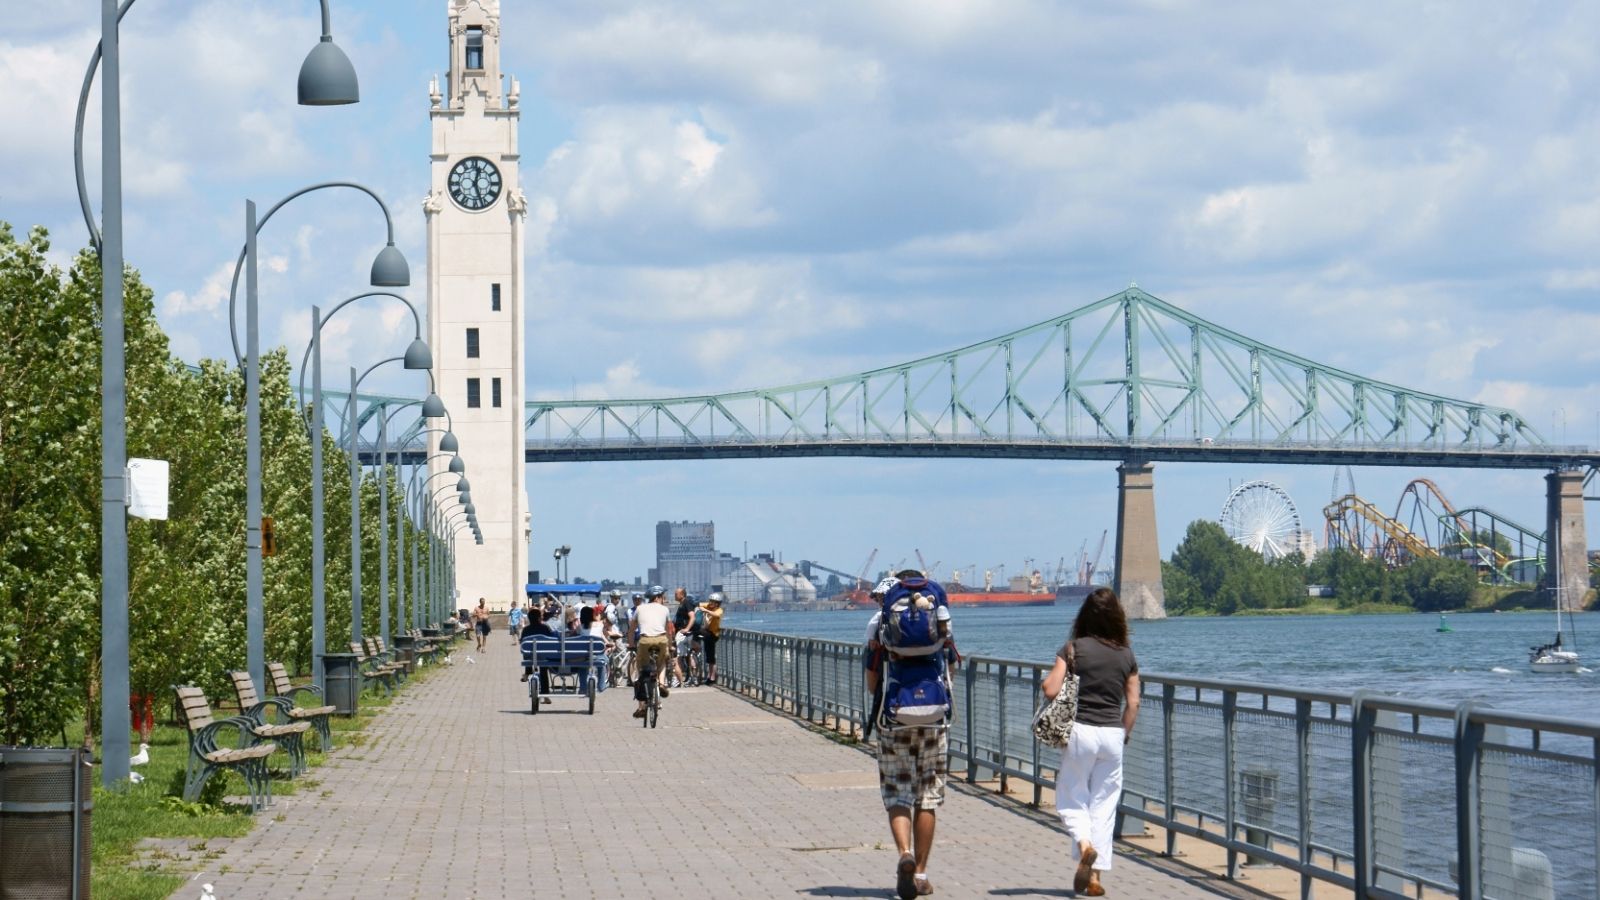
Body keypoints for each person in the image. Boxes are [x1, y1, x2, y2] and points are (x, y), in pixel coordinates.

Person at [1042, 587, 1140, 898]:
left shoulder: (1073, 649)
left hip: (1081, 732)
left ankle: (1085, 847)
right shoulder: (1126, 654)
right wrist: (1123, 733)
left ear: (1085, 615)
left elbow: (1049, 689)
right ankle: (1095, 878)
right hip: (1112, 734)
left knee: (1071, 798)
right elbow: (1134, 702)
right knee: (1104, 806)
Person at [865, 571, 953, 900]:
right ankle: (921, 874)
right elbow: (951, 667)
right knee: (927, 797)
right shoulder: (940, 617)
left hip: (894, 715)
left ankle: (904, 854)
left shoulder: (880, 622)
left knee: (898, 793)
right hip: (934, 717)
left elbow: (872, 677)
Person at [631, 585, 674, 718]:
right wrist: (670, 645)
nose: (664, 599)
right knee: (662, 662)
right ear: (657, 597)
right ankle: (661, 684)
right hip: (661, 639)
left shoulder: (639, 608)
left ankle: (642, 706)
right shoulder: (665, 609)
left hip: (645, 640)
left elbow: (631, 630)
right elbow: (669, 630)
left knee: (641, 669)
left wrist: (631, 644)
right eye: (662, 597)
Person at [670, 588, 696, 687]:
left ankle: (678, 680)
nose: (675, 595)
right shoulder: (682, 604)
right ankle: (691, 677)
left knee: (678, 657)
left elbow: (692, 616)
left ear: (682, 594)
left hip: (683, 633)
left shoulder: (686, 603)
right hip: (680, 633)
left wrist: (686, 628)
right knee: (685, 656)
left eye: (676, 594)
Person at [698, 593, 725, 685]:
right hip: (707, 633)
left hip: (713, 634)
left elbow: (716, 615)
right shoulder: (708, 606)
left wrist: (705, 610)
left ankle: (712, 678)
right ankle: (709, 676)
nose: (710, 603)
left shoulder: (719, 610)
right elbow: (699, 604)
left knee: (711, 658)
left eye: (713, 602)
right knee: (709, 657)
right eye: (710, 601)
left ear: (717, 603)